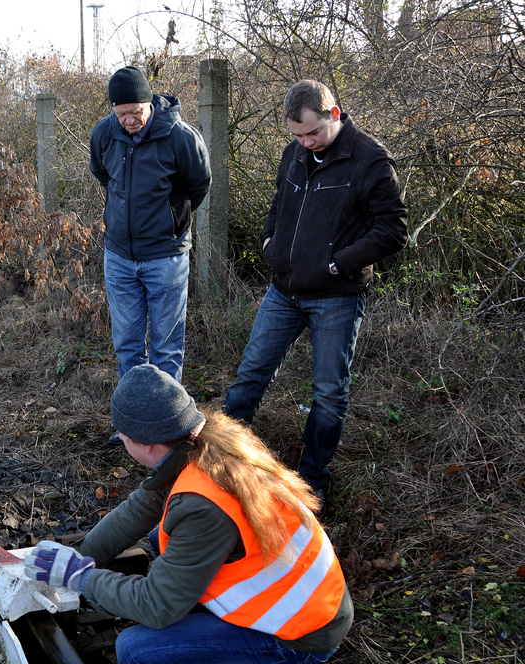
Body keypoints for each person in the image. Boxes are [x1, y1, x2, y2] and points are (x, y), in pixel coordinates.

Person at [25, 364, 353, 664]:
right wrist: (80, 555)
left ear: (147, 444)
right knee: (160, 536)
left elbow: (158, 606)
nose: (120, 437)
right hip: (304, 597)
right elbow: (139, 509)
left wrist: (78, 577)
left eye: (123, 432)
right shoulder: (203, 445)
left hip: (302, 634)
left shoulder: (202, 506)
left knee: (136, 648)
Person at [223, 80, 408, 512]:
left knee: (328, 392)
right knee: (250, 375)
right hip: (284, 289)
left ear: (335, 115)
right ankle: (223, 464)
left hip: (337, 296)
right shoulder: (295, 153)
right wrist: (270, 241)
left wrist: (337, 263)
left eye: (313, 134)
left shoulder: (371, 159)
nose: (306, 143)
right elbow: (279, 204)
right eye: (298, 136)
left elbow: (393, 229)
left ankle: (310, 485)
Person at [90, 65, 211, 447]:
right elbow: (103, 176)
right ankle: (133, 426)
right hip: (120, 257)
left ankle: (169, 428)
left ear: (150, 104)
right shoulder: (103, 134)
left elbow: (199, 182)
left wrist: (173, 222)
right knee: (127, 343)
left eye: (136, 112)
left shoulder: (179, 137)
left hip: (166, 258)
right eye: (121, 112)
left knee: (166, 346)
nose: (129, 120)